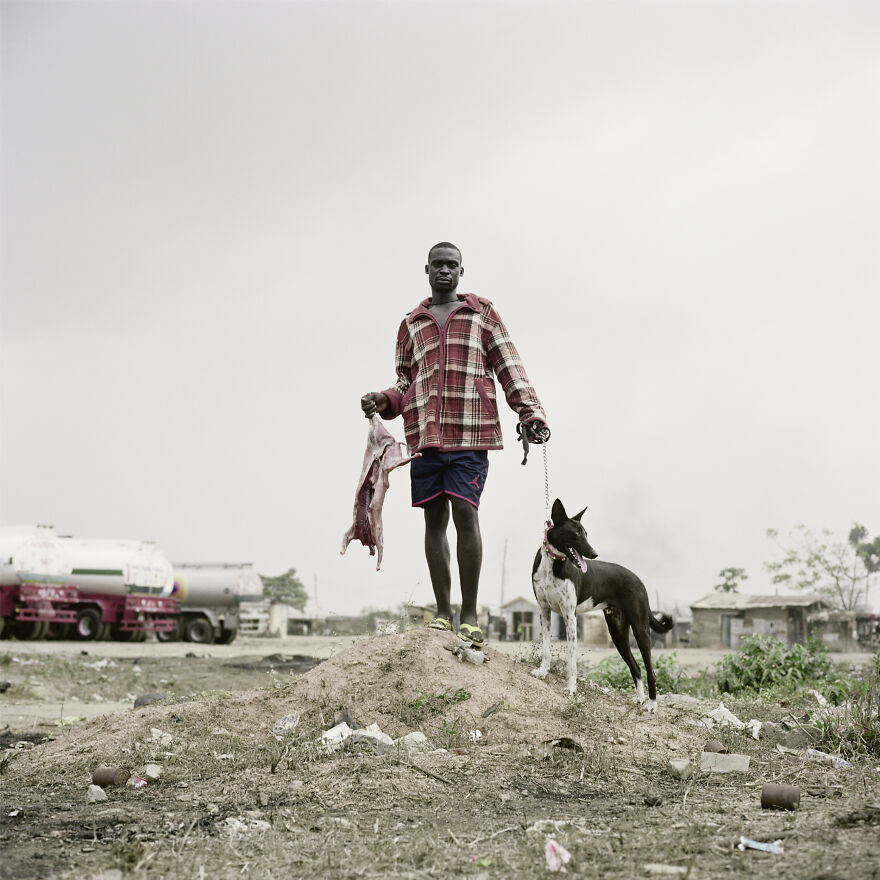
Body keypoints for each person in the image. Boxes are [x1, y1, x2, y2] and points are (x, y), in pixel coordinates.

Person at [361, 242, 547, 645]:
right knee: (433, 521)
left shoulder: (482, 314)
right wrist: (384, 400)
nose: (445, 270)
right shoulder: (411, 323)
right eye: (438, 265)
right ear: (426, 270)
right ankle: (443, 612)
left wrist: (529, 413)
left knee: (466, 512)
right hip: (426, 437)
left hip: (470, 431)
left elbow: (509, 365)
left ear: (461, 271)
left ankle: (469, 613)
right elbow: (405, 383)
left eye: (452, 265)